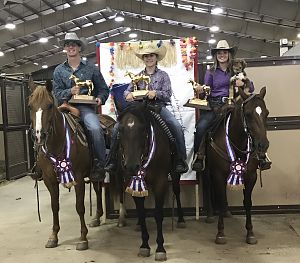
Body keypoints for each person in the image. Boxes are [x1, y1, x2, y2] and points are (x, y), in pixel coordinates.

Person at [105, 42, 189, 174]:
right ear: (143, 59)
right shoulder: (137, 76)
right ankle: (112, 160)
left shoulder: (163, 75)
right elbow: (127, 91)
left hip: (158, 107)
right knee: (117, 127)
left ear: (156, 58)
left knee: (175, 126)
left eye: (151, 56)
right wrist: (129, 95)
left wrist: (156, 93)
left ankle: (180, 159)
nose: (149, 58)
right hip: (139, 109)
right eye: (146, 56)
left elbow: (167, 94)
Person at [192, 39, 272, 172]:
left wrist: (244, 83)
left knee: (251, 123)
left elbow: (251, 87)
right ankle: (199, 156)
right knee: (201, 127)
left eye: (224, 52)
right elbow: (207, 89)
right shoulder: (210, 72)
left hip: (235, 105)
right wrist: (201, 89)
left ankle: (261, 155)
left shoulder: (236, 69)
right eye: (219, 53)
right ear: (215, 55)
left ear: (229, 54)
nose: (222, 55)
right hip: (216, 105)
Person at [53, 32, 109, 181]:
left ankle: (100, 164)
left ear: (79, 47)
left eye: (74, 44)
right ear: (65, 48)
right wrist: (69, 91)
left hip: (85, 107)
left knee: (95, 128)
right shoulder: (58, 70)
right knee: (44, 127)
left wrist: (99, 98)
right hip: (65, 106)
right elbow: (57, 92)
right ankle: (42, 166)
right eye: (68, 45)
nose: (71, 47)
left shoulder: (91, 69)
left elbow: (103, 88)